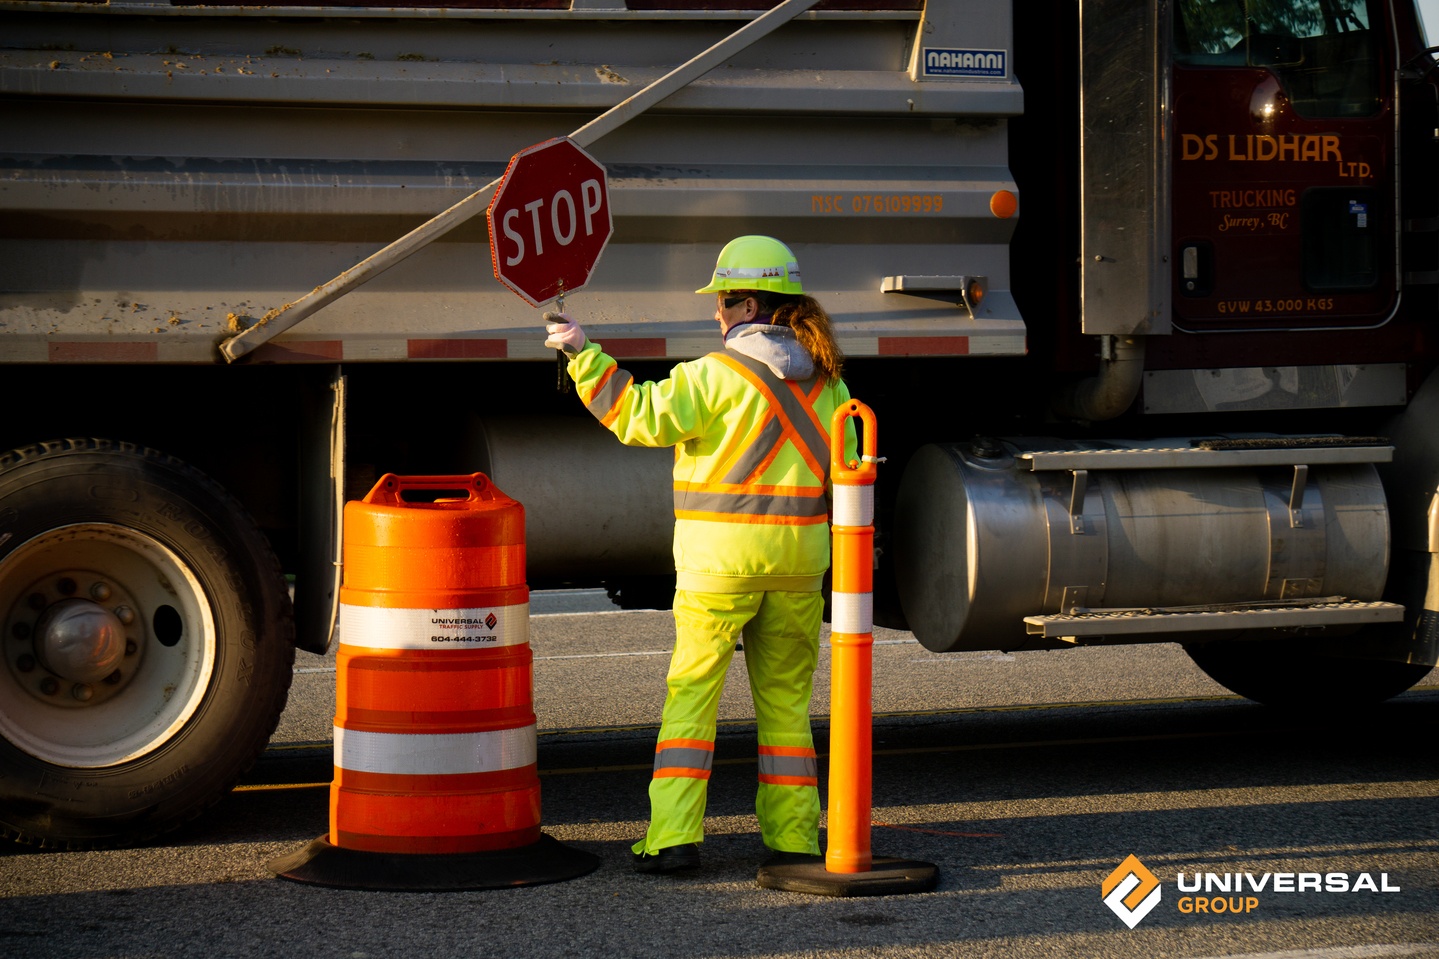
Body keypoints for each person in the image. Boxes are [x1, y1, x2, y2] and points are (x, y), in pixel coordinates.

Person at [542, 235, 857, 874]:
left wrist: (581, 352)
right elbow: (847, 467)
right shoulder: (831, 384)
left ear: (747, 304)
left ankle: (674, 838)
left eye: (721, 301)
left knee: (692, 700)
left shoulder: (712, 375)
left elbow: (636, 416)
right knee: (787, 707)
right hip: (799, 567)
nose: (715, 313)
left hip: (719, 567)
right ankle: (794, 840)